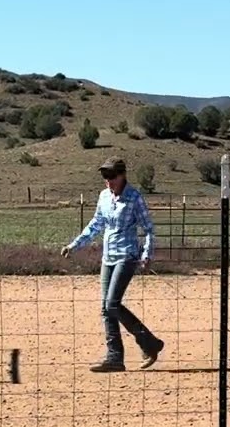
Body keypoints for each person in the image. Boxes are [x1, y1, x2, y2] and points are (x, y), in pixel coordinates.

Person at [61, 157, 166, 372]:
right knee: (106, 308)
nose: (107, 181)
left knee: (112, 304)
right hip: (107, 257)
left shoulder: (134, 197)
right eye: (104, 177)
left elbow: (148, 229)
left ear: (122, 175)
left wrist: (146, 254)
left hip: (127, 256)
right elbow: (96, 224)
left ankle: (148, 342)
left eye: (111, 176)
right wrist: (74, 245)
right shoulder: (104, 197)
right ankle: (115, 358)